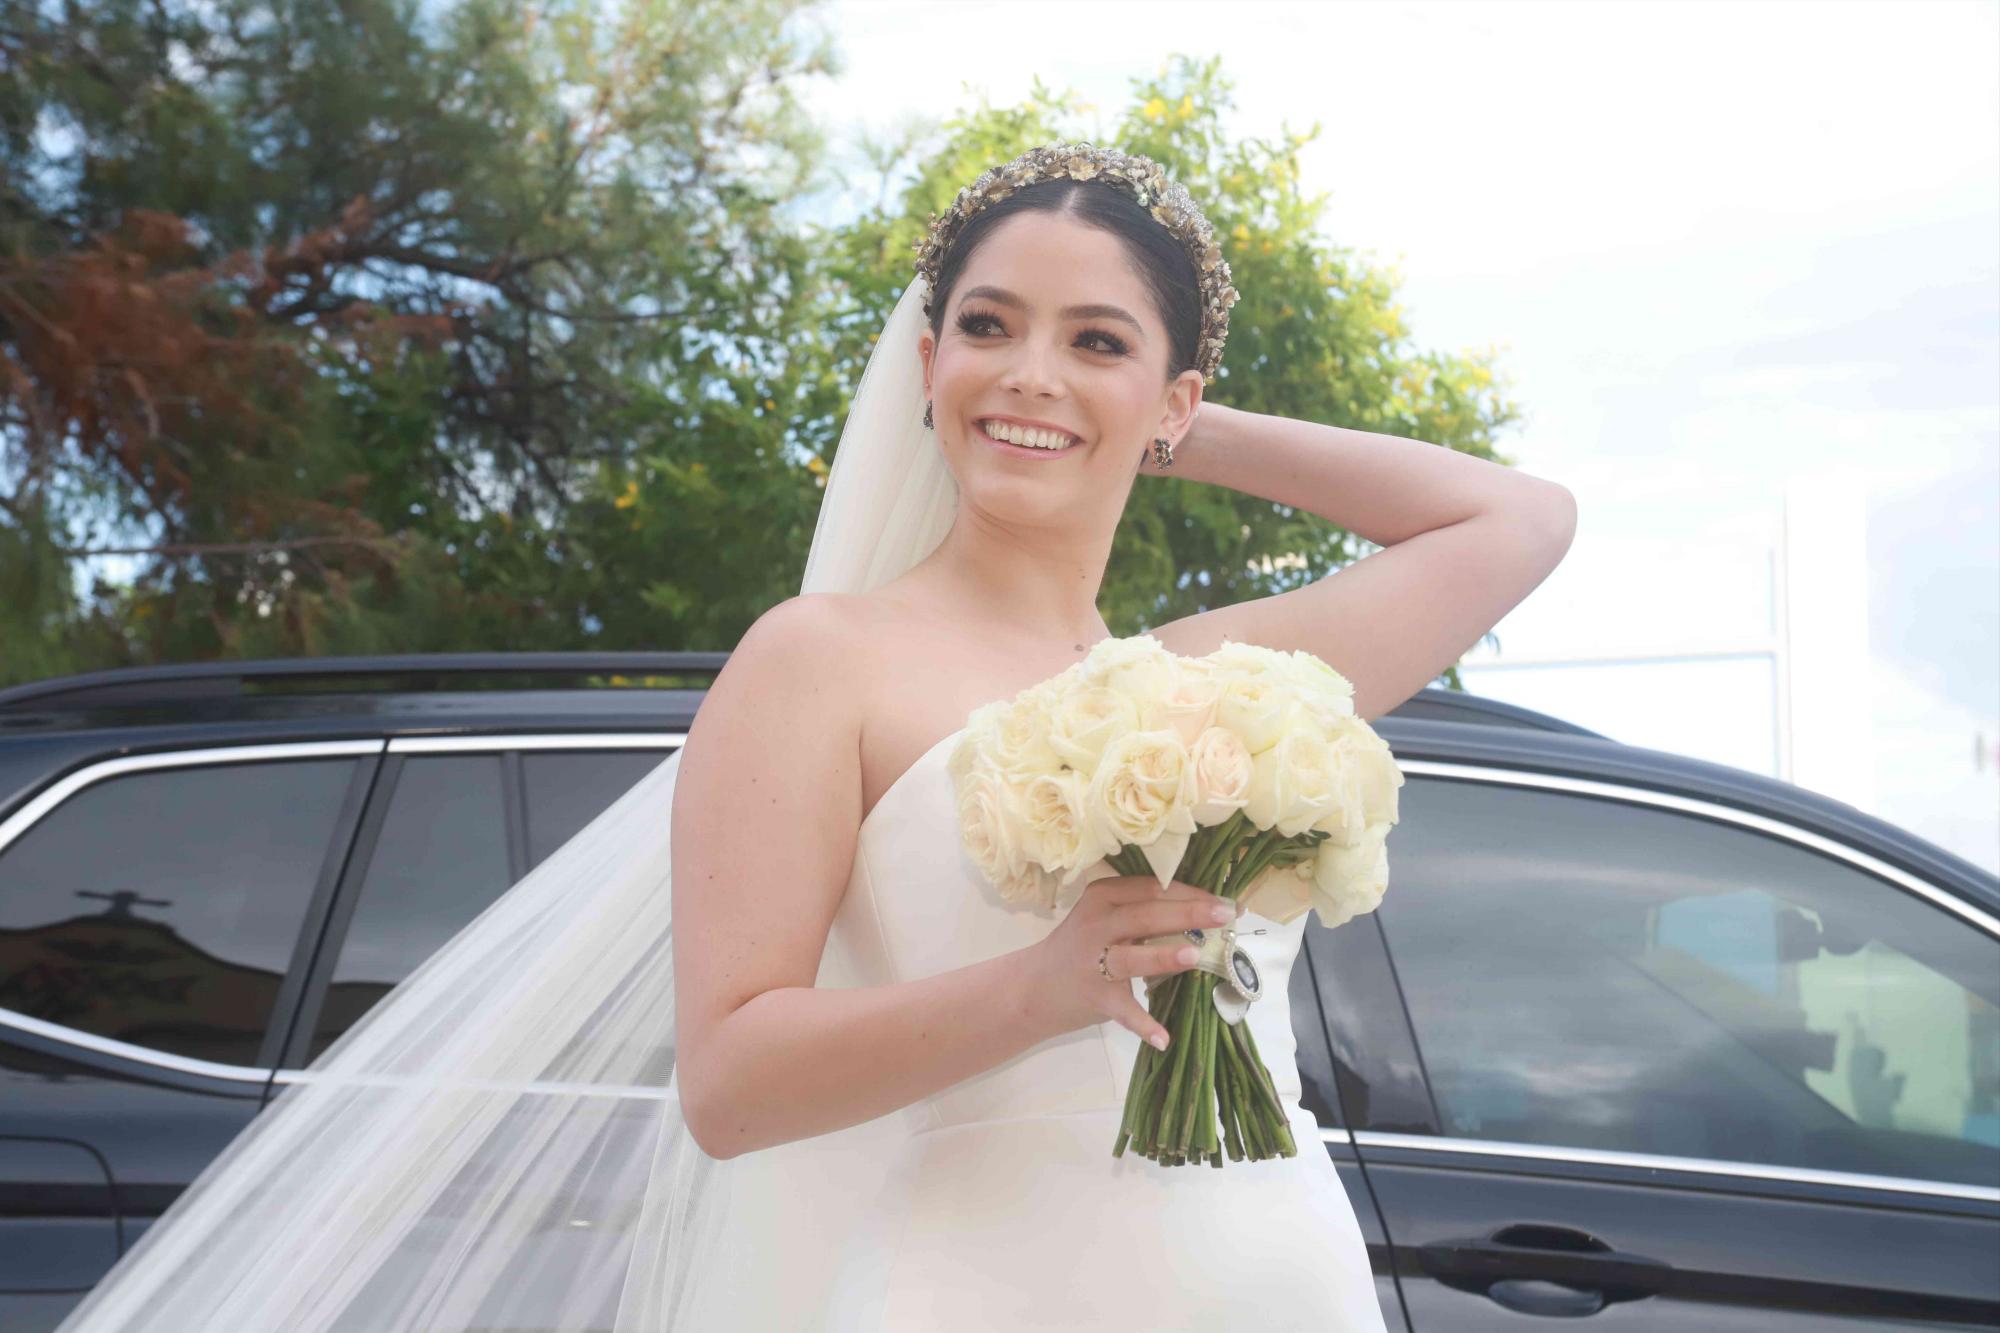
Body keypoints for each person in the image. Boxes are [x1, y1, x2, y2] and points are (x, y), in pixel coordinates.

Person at [54, 143, 1575, 1331]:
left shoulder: (1205, 678)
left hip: (1272, 1280)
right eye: (987, 329)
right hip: (983, 1295)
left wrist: (1158, 417)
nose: (1028, 370)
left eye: (1094, 338)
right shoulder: (818, 660)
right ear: (925, 367)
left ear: (1175, 390)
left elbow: (1516, 519)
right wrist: (1042, 985)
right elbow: (731, 1076)